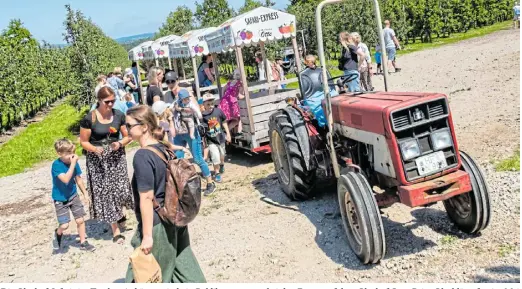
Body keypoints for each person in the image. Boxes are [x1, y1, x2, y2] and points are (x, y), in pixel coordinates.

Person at [124, 105, 206, 283]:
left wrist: (146, 237)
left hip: (157, 225)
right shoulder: (164, 148)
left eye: (129, 125)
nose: (126, 129)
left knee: (144, 275)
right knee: (184, 267)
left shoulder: (143, 156)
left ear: (144, 126)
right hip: (175, 217)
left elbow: (146, 198)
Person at [79, 86, 134, 244]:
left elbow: (128, 136)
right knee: (107, 192)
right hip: (98, 161)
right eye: (107, 102)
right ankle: (115, 229)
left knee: (121, 188)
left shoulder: (118, 115)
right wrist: (95, 149)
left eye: (113, 101)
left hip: (116, 157)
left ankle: (119, 212)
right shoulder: (90, 119)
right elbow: (83, 142)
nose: (110, 104)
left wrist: (119, 143)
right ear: (99, 100)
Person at [51, 138, 95, 252]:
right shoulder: (56, 165)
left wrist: (85, 194)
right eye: (68, 153)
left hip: (73, 195)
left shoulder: (73, 163)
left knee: (80, 220)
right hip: (60, 199)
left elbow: (79, 180)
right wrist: (73, 164)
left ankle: (83, 242)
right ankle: (58, 232)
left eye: (73, 153)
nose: (72, 156)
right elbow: (65, 179)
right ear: (59, 153)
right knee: (65, 225)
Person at [172, 89, 216, 196]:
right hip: (179, 131)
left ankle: (210, 183)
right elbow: (170, 111)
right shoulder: (175, 103)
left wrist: (188, 110)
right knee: (176, 158)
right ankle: (181, 186)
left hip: (191, 132)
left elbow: (199, 114)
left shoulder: (191, 104)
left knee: (197, 159)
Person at [301, 55, 339, 128]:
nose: (310, 63)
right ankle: (325, 124)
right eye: (308, 62)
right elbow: (305, 89)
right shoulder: (303, 74)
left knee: (336, 99)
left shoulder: (322, 70)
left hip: (327, 91)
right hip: (312, 96)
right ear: (306, 63)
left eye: (312, 62)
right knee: (318, 108)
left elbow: (329, 84)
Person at [202, 93, 231, 183]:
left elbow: (224, 122)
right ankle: (217, 173)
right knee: (215, 156)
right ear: (204, 105)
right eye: (208, 104)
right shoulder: (203, 116)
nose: (210, 106)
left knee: (222, 155)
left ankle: (222, 164)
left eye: (211, 104)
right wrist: (204, 142)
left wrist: (228, 134)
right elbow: (203, 130)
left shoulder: (218, 111)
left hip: (221, 138)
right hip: (211, 140)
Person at [218, 68, 244, 136]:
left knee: (224, 120)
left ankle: (223, 132)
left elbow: (223, 89)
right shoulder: (240, 84)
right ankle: (229, 132)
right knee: (237, 119)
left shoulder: (230, 82)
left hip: (224, 102)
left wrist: (223, 97)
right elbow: (239, 96)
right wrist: (247, 96)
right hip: (232, 104)